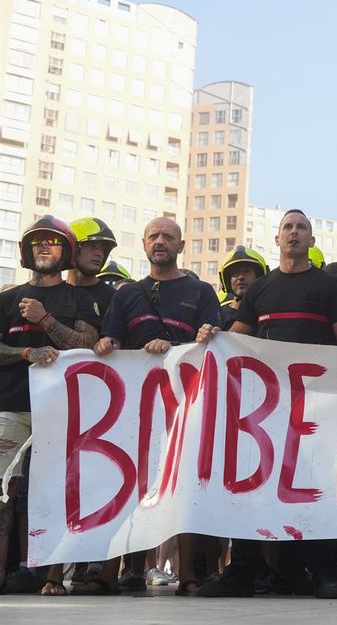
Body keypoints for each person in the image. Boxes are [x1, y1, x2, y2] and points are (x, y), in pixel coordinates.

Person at [196, 210, 337, 599]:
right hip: (266, 409)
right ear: (278, 238)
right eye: (288, 227)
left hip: (316, 405)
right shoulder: (260, 289)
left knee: (316, 487)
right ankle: (244, 571)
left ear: (312, 241)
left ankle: (324, 571)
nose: (295, 233)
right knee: (256, 485)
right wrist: (211, 335)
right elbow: (235, 340)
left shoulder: (328, 287)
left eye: (302, 227)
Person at [86, 217, 220, 596]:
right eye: (154, 236)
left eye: (168, 237)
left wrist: (178, 346)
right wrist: (106, 346)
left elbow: (211, 345)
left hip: (185, 405)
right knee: (125, 484)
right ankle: (108, 574)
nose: (160, 241)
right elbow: (111, 336)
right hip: (133, 407)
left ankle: (189, 574)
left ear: (180, 246)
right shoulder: (126, 294)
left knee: (184, 485)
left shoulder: (202, 291)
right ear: (144, 244)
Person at [0, 217, 100, 596]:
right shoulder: (7, 299)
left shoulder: (78, 298)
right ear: (27, 252)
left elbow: (87, 345)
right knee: (3, 495)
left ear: (66, 251)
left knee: (56, 492)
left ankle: (53, 577)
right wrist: (25, 350)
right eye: (38, 242)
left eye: (53, 242)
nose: (44, 247)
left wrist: (45, 319)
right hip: (10, 408)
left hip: (62, 411)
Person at [216, 245, 268, 329]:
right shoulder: (217, 316)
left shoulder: (267, 313)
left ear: (259, 277)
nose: (240, 277)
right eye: (235, 272)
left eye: (247, 271)